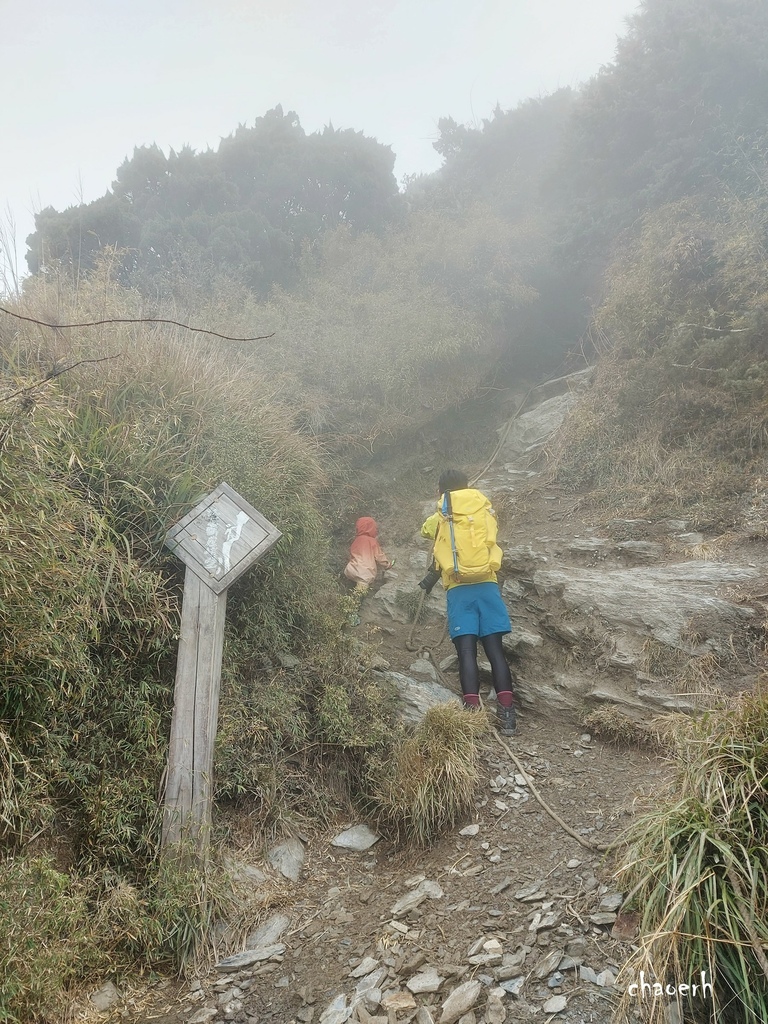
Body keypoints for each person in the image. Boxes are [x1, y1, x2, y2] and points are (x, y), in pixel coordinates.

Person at [420, 469, 517, 736]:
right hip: (487, 584)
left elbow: (425, 530)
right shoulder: (484, 508)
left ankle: (472, 713)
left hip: (459, 588)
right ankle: (508, 715)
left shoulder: (442, 514)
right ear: (467, 485)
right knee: (495, 650)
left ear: (443, 490)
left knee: (466, 652)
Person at [344, 516, 392, 593]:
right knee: (359, 596)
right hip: (364, 573)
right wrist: (387, 564)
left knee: (354, 588)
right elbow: (379, 557)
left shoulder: (356, 540)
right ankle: (355, 602)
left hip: (351, 569)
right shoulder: (372, 541)